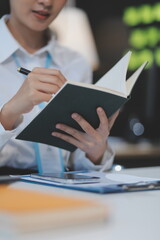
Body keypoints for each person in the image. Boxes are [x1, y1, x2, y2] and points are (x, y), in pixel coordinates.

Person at [0, 0, 119, 174]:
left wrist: (95, 150)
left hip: (67, 190)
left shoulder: (76, 62)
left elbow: (77, 160)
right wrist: (7, 114)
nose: (46, 2)